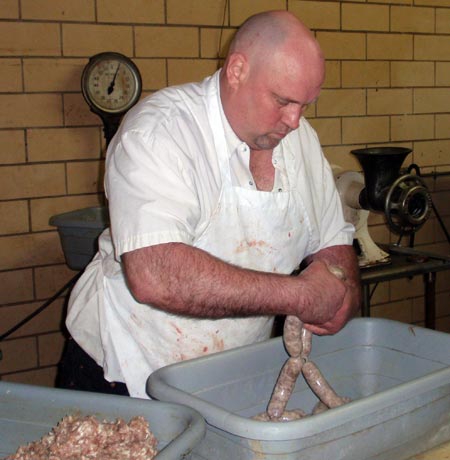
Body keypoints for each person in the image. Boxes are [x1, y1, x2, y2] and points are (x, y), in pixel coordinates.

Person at [59, 10, 361, 398]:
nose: (295, 121)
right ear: (237, 70)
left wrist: (342, 291)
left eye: (306, 105)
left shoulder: (300, 142)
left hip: (227, 375)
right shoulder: (160, 132)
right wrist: (300, 295)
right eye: (283, 101)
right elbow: (154, 274)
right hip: (124, 372)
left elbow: (333, 241)